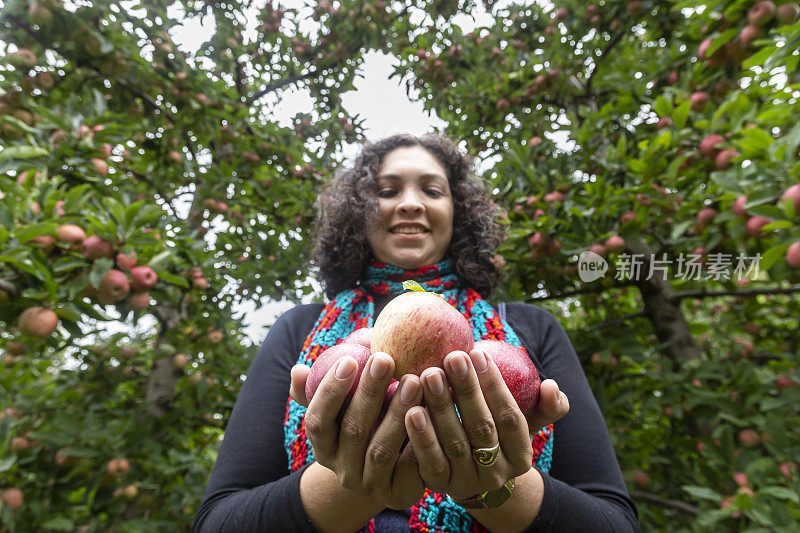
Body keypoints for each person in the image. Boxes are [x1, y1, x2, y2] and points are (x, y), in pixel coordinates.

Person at [192, 134, 640, 532]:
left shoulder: (529, 328)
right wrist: (360, 479)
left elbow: (615, 521)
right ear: (358, 214)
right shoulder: (300, 329)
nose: (410, 203)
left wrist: (492, 486)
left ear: (456, 212)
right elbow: (217, 521)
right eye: (387, 191)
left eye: (432, 189)